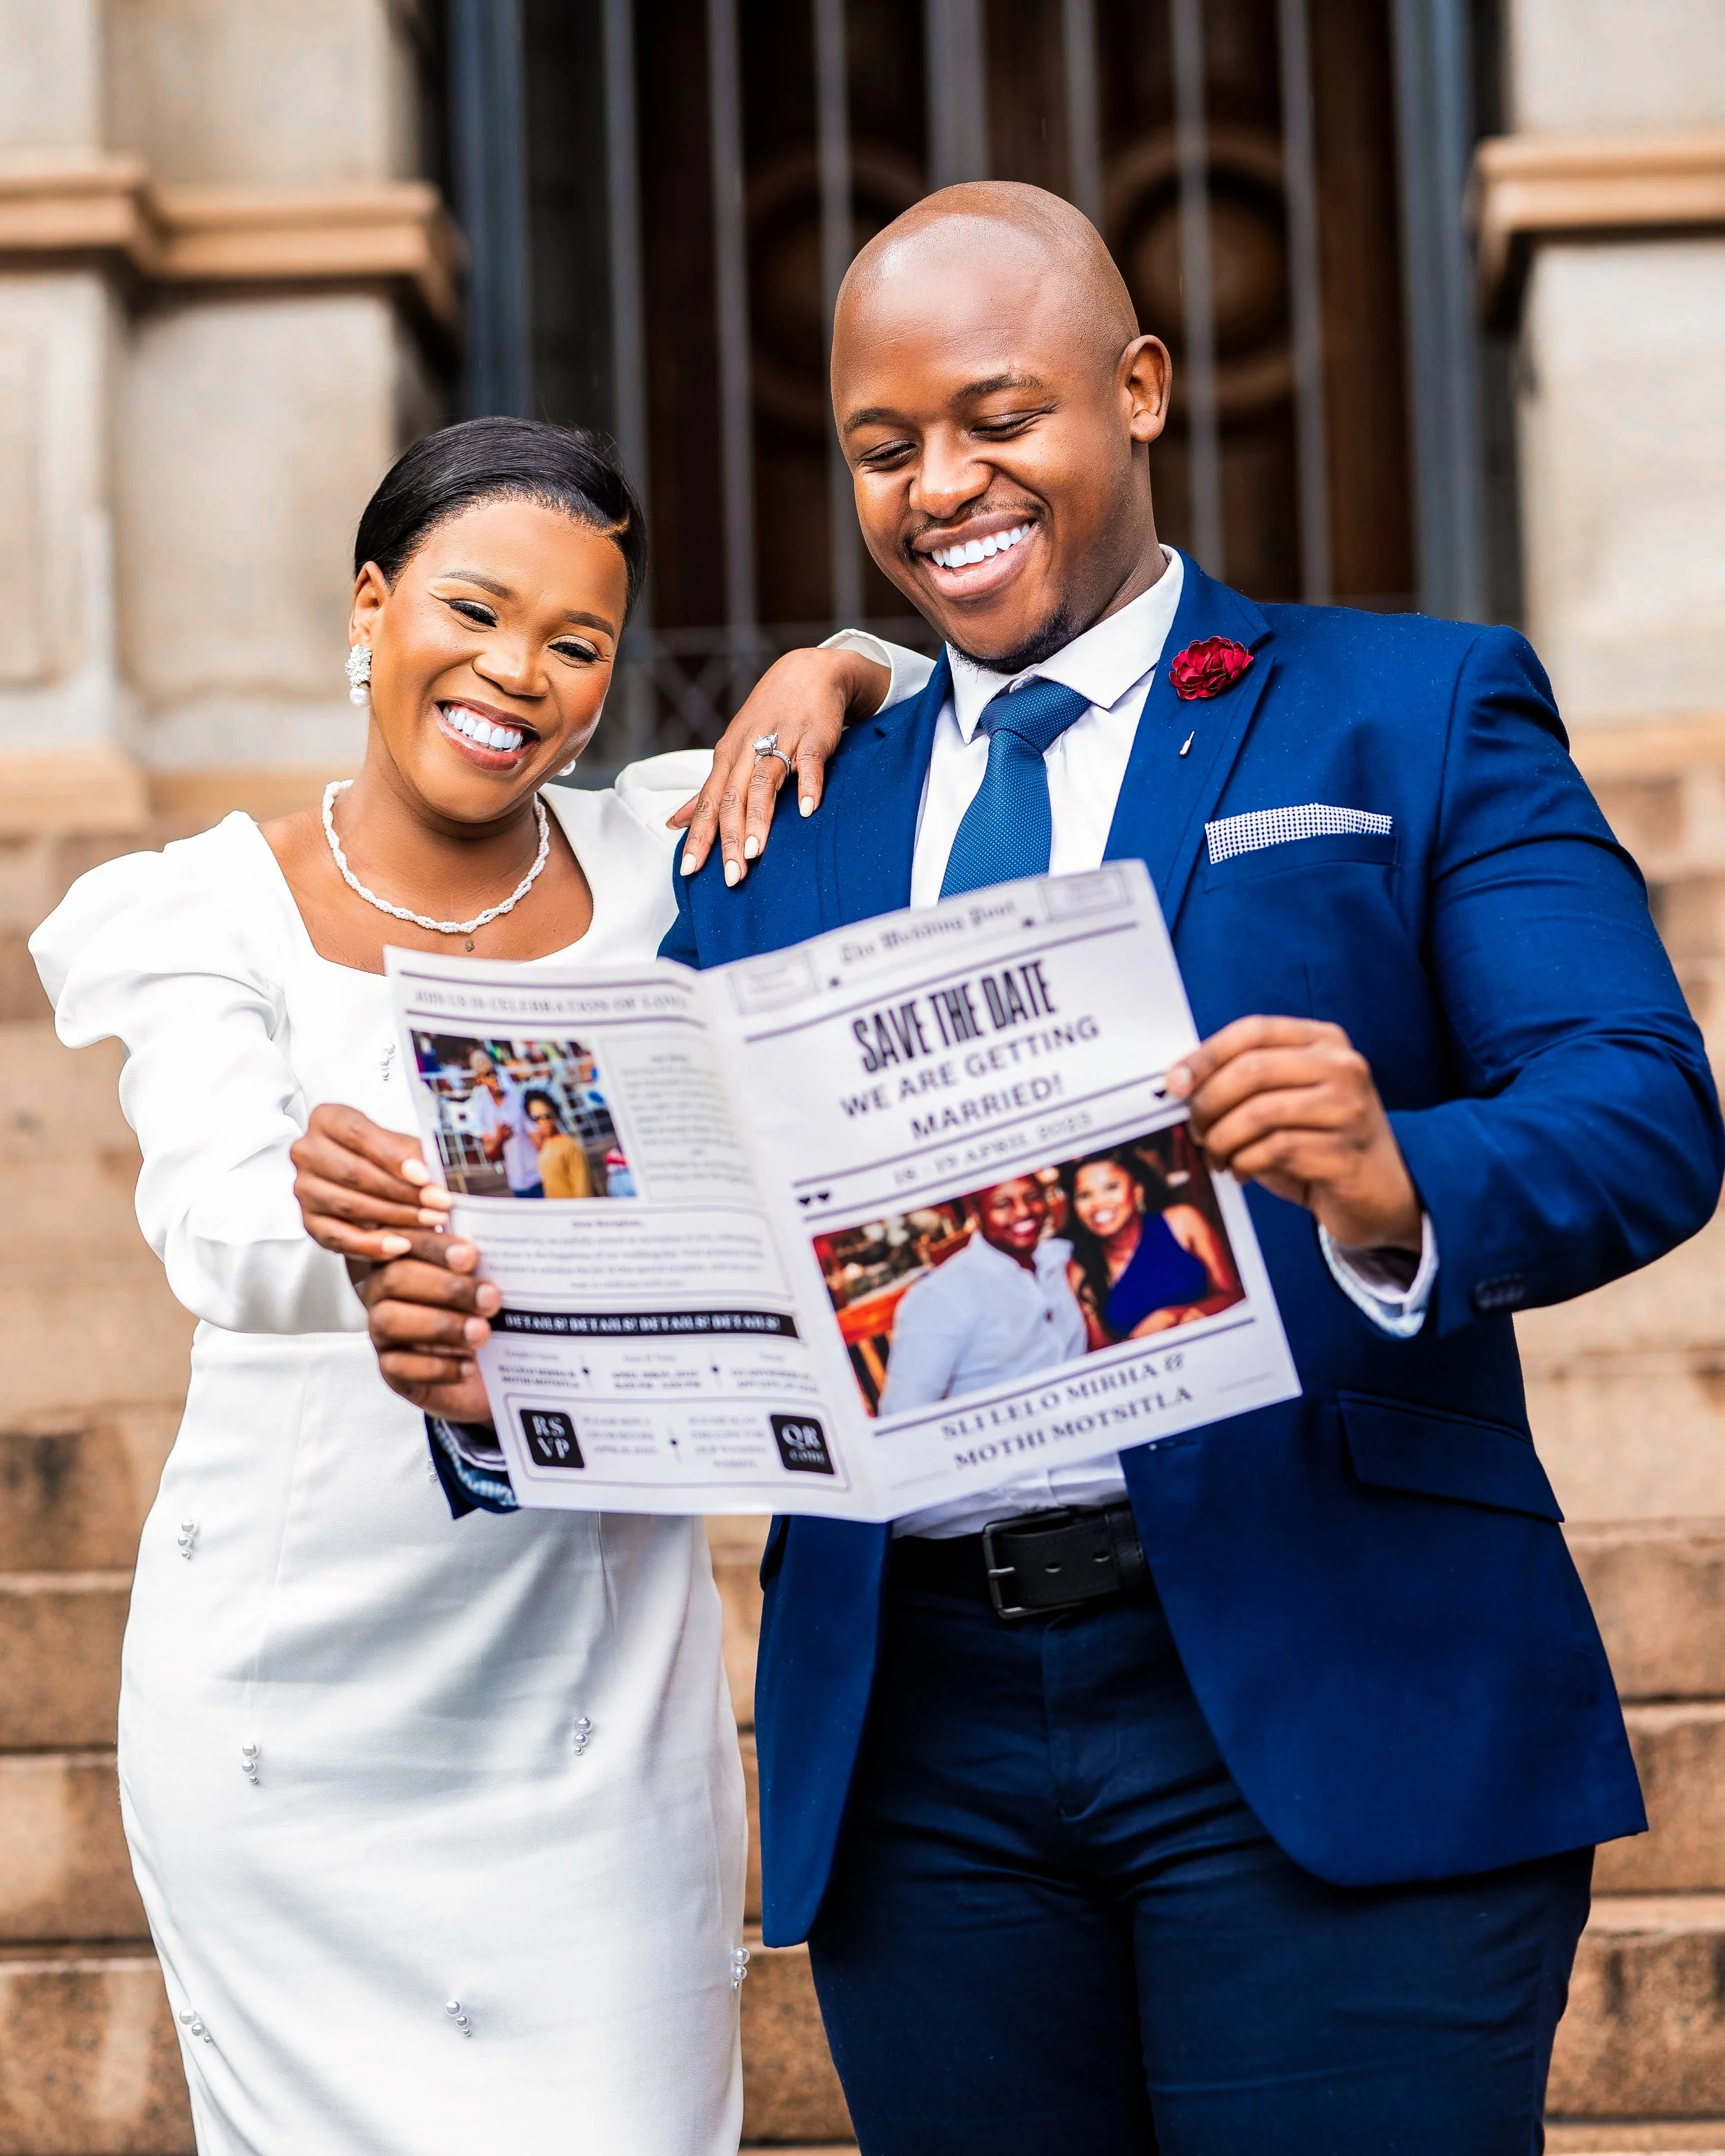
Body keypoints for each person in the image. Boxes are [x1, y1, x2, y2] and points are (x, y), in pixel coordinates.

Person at [326, 184, 1721, 2154]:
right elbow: (698, 1264)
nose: (940, 487)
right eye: (884, 448)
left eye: (999, 417)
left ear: (1139, 388)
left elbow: (1639, 1106)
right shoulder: (779, 810)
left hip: (1332, 1670)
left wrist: (1393, 1170)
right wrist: (502, 1369)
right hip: (921, 1742)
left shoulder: (1406, 707)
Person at [28, 415, 898, 2156]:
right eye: (474, 611)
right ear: (372, 605)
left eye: (577, 644)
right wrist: (344, 1247)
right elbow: (214, 1213)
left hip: (590, 1705)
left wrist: (837, 662)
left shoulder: (665, 856)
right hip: (292, 1704)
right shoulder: (208, 908)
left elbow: (933, 703)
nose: (519, 674)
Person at [876, 1175, 1086, 1415]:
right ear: (975, 1213)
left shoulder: (1061, 1256)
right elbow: (904, 1413)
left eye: (1032, 1198)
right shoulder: (940, 1296)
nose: (1023, 1211)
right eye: (1003, 1205)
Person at [1061, 1147, 1237, 1343]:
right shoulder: (1080, 1267)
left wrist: (1173, 1316)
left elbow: (1232, 1295)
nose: (1098, 1204)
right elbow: (1102, 1352)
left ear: (1137, 1192)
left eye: (1111, 1187)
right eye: (1084, 1195)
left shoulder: (1182, 1222)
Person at [464, 1047, 540, 1196]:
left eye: (495, 1072)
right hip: (517, 1181)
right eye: (488, 1074)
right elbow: (491, 1154)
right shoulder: (482, 1108)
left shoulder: (518, 1098)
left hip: (539, 1175)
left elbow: (537, 1136)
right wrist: (499, 1138)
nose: (494, 1078)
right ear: (480, 1079)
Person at [521, 1088, 593, 1199]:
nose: (544, 1121)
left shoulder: (569, 1145)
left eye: (547, 1115)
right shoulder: (545, 1148)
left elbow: (583, 1188)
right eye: (536, 1118)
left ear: (555, 1113)